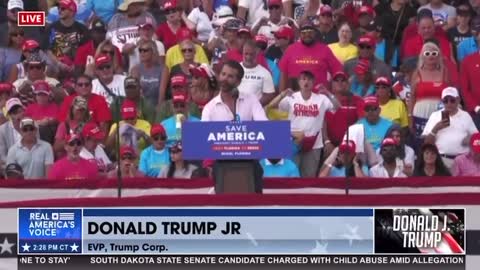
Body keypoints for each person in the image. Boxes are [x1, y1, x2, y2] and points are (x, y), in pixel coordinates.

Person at [269, 70, 338, 177]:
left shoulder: (321, 99)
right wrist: (282, 94)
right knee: (291, 174)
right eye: (303, 79)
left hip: (314, 144)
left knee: (309, 176)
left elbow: (338, 108)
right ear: (298, 82)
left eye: (309, 79)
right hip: (293, 142)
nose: (306, 82)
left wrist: (328, 93)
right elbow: (271, 106)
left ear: (313, 82)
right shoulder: (292, 97)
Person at [422, 87, 478, 169]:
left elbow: (477, 139)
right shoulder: (435, 116)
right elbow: (426, 143)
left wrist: (470, 139)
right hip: (442, 160)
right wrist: (435, 129)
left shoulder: (465, 116)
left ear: (458, 100)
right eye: (445, 101)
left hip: (463, 160)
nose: (449, 103)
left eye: (452, 100)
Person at [279, 20, 342, 92]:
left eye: (310, 32)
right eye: (304, 32)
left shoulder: (324, 49)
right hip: (295, 97)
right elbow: (283, 74)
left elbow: (337, 71)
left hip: (319, 97)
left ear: (315, 33)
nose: (307, 34)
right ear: (299, 34)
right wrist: (282, 96)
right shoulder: (290, 49)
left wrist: (330, 91)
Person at [409, 41, 452, 144]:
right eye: (427, 53)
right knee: (422, 143)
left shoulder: (445, 72)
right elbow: (412, 97)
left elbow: (450, 94)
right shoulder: (417, 73)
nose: (431, 56)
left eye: (434, 53)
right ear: (422, 56)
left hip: (440, 112)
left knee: (440, 141)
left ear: (438, 56)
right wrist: (410, 117)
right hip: (420, 112)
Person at [202, 60, 268, 121]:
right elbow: (204, 132)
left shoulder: (251, 100)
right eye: (223, 74)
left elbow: (263, 124)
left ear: (238, 82)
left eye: (230, 76)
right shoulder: (209, 108)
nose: (225, 78)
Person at [325, 71, 364, 146]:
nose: (340, 83)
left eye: (343, 80)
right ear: (331, 84)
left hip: (351, 144)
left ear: (348, 84)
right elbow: (321, 124)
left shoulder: (357, 100)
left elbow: (362, 121)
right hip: (328, 145)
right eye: (336, 80)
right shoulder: (325, 100)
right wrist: (327, 141)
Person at [43, 0, 89, 64]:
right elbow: (47, 50)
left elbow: (86, 50)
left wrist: (76, 64)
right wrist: (59, 64)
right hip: (56, 63)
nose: (59, 11)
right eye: (59, 8)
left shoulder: (82, 29)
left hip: (77, 63)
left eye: (63, 9)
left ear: (72, 12)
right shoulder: (52, 28)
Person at [238, 40, 276, 106]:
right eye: (246, 54)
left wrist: (255, 105)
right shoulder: (235, 69)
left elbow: (269, 95)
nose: (248, 57)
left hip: (255, 111)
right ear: (242, 53)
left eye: (251, 54)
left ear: (256, 54)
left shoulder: (265, 73)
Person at [130, 39, 164, 109]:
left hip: (157, 106)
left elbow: (162, 95)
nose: (142, 53)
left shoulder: (163, 69)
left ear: (153, 52)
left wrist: (158, 109)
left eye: (145, 50)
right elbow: (136, 93)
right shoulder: (135, 69)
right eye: (140, 50)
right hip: (141, 108)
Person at [0, 98, 25, 166]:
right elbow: (2, 154)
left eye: (19, 111)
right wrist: (13, 163)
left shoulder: (32, 125)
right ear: (9, 115)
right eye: (14, 112)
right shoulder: (2, 129)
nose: (18, 115)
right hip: (10, 163)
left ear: (23, 111)